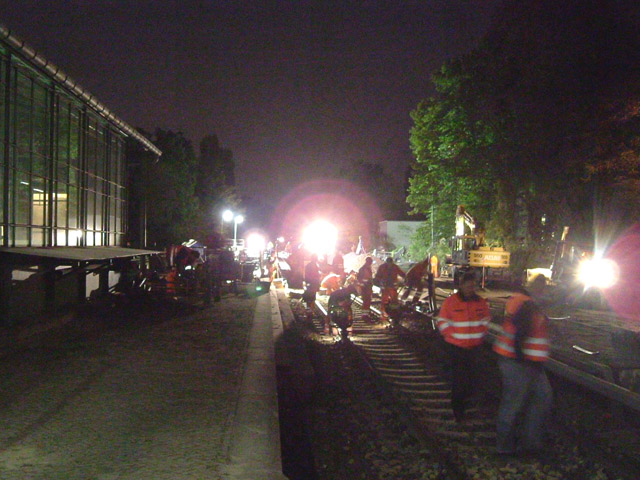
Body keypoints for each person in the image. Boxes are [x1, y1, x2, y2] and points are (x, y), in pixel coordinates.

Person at [493, 274, 552, 456]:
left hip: (530, 363)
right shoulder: (526, 304)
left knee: (542, 399)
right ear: (535, 287)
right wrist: (522, 360)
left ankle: (530, 443)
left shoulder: (527, 302)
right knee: (513, 404)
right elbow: (519, 335)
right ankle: (504, 448)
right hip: (519, 362)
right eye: (542, 287)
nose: (544, 291)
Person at [435, 270, 490, 423]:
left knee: (472, 380)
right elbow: (442, 322)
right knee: (459, 382)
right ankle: (458, 413)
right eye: (467, 286)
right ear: (461, 286)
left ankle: (467, 405)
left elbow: (486, 320)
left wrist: (480, 334)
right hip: (456, 349)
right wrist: (451, 337)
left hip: (475, 349)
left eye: (472, 286)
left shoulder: (480, 302)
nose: (470, 289)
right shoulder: (451, 302)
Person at [374, 257, 406, 322]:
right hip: (387, 287)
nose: (389, 265)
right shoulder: (389, 267)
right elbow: (378, 276)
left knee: (393, 300)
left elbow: (402, 274)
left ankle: (393, 314)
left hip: (390, 287)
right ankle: (385, 313)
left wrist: (406, 278)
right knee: (386, 300)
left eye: (390, 263)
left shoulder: (390, 267)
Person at [357, 257, 374, 322]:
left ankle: (365, 315)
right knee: (366, 302)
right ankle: (364, 315)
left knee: (367, 302)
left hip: (367, 287)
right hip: (365, 288)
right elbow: (361, 279)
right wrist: (366, 283)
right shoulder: (363, 269)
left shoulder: (367, 268)